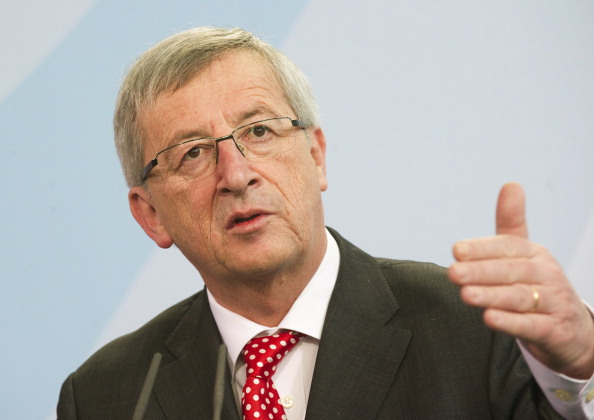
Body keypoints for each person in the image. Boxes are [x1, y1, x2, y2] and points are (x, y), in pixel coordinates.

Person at [57, 27, 594, 419]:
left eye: (261, 131)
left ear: (316, 156)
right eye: (193, 153)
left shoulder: (474, 328)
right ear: (150, 215)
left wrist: (582, 362)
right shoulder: (107, 395)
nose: (236, 173)